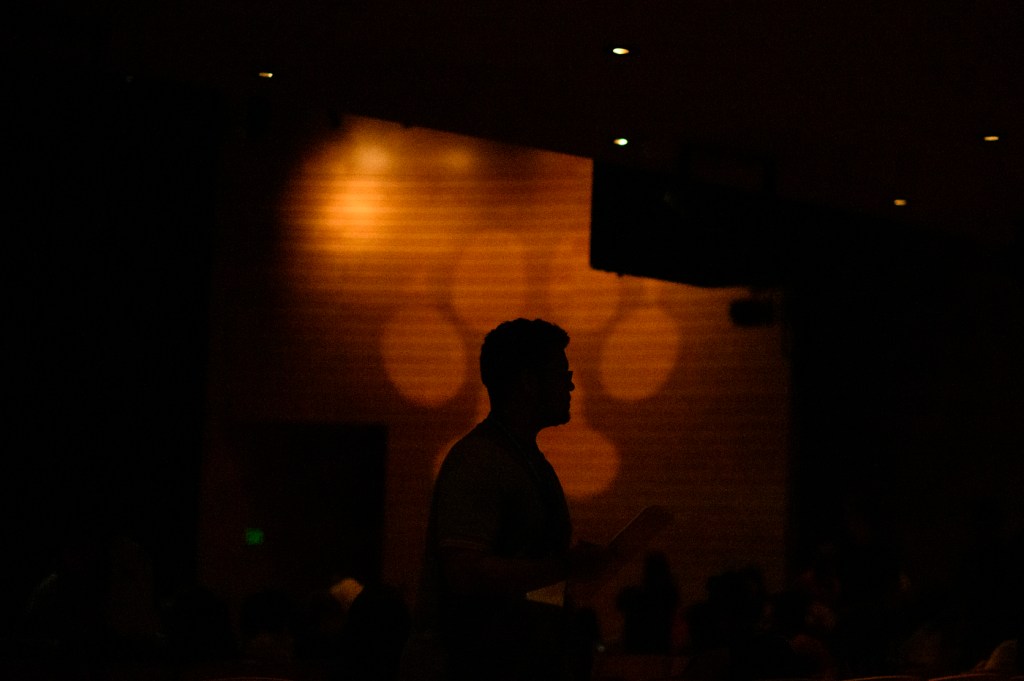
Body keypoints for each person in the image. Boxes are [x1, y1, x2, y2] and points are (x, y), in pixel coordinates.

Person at [398, 318, 609, 681]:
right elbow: (464, 574)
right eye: (562, 372)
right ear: (528, 383)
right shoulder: (482, 461)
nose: (571, 383)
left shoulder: (521, 458)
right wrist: (565, 566)